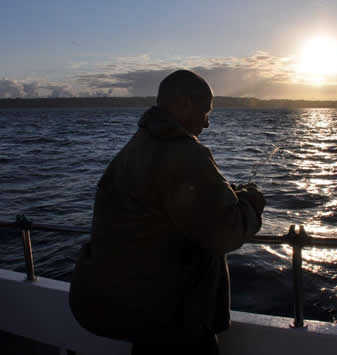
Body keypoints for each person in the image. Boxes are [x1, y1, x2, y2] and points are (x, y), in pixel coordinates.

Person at [69, 70, 265, 354]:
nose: (207, 123)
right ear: (185, 104)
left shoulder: (136, 148)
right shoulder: (184, 153)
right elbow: (225, 232)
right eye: (205, 111)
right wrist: (251, 203)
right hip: (176, 320)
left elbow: (168, 204)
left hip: (142, 313)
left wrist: (224, 193)